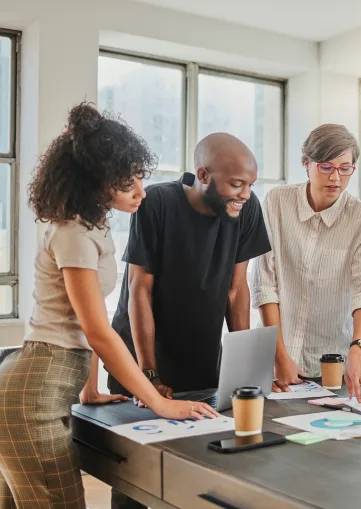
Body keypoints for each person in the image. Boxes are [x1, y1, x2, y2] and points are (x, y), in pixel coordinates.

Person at [0, 103, 217, 509]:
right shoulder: (74, 234)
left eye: (139, 176)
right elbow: (98, 332)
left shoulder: (89, 227)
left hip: (39, 387)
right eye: (126, 180)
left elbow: (82, 321)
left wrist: (91, 391)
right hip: (33, 395)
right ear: (95, 183)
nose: (141, 190)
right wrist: (160, 402)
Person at [107, 132, 271, 508]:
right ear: (203, 174)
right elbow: (139, 290)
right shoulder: (157, 203)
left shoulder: (246, 208)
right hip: (140, 363)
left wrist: (242, 366)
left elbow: (236, 288)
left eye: (250, 185)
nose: (245, 193)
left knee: (199, 474)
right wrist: (150, 375)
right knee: (136, 477)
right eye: (236, 184)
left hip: (201, 363)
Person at [252, 124, 361, 404]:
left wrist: (358, 350)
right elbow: (265, 284)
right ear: (306, 165)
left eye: (345, 168)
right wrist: (280, 356)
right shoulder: (277, 203)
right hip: (277, 363)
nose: (336, 177)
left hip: (332, 365)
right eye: (326, 167)